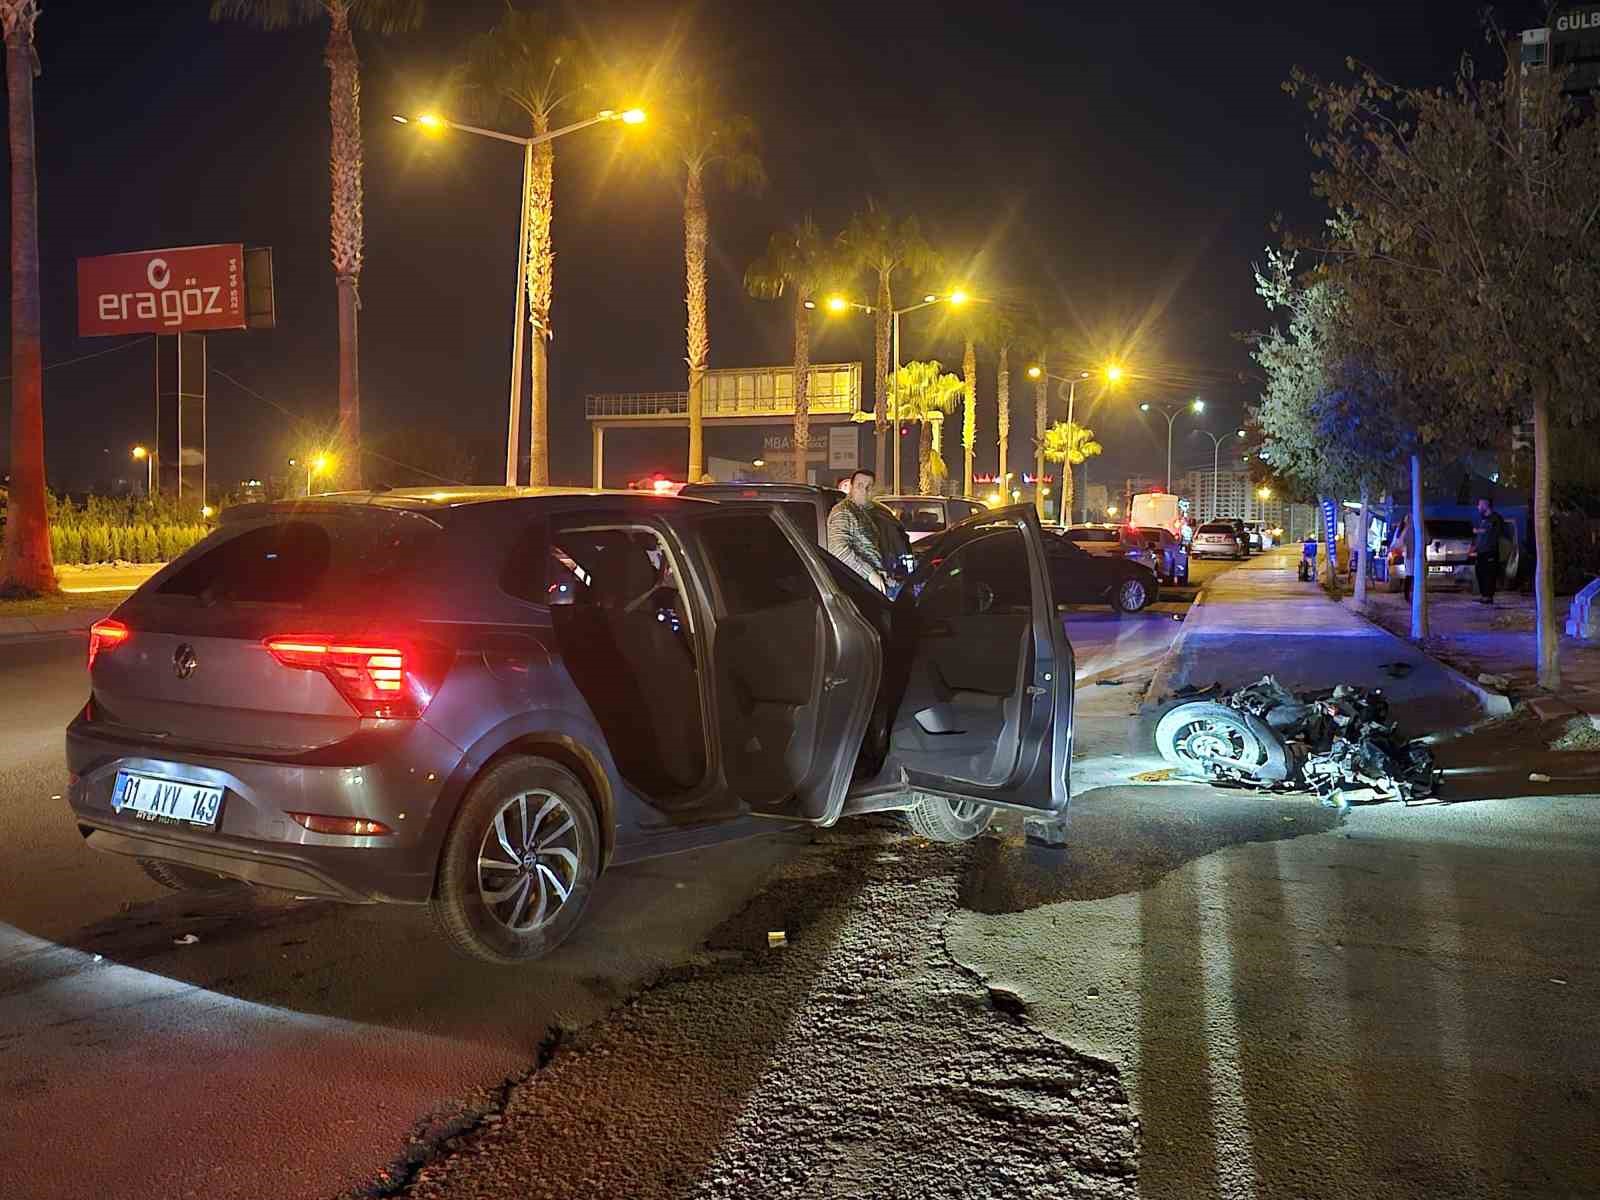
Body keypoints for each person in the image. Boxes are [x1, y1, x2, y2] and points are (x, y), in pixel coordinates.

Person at [827, 468, 890, 594]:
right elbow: (839, 551)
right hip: (857, 584)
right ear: (851, 487)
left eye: (869, 487)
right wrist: (870, 574)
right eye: (859, 486)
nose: (864, 491)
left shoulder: (863, 512)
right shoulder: (843, 512)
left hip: (872, 583)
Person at [1473, 496, 1507, 605]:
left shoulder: (1496, 518)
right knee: (1480, 572)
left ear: (1485, 504)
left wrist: (1481, 531)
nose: (1478, 507)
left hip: (1490, 551)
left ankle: (1488, 596)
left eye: (1479, 505)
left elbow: (1497, 533)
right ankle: (1484, 596)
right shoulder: (1481, 519)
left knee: (1489, 574)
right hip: (1481, 552)